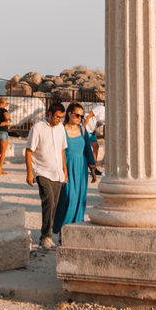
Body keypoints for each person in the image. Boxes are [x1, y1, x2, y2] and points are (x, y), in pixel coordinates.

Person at [25, 102, 67, 249]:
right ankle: (45, 237)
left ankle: (47, 234)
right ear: (49, 114)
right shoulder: (37, 128)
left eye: (61, 117)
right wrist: (30, 173)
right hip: (41, 170)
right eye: (57, 117)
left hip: (57, 172)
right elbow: (29, 151)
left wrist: (64, 170)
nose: (59, 120)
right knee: (48, 200)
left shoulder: (61, 128)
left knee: (54, 204)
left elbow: (62, 150)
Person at [53, 101, 96, 236]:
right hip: (66, 167)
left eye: (81, 117)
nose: (79, 118)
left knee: (79, 199)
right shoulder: (61, 129)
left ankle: (76, 230)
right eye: (77, 115)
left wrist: (93, 169)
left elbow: (88, 150)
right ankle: (63, 229)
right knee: (67, 198)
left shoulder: (83, 130)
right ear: (69, 114)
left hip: (81, 168)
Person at [82, 103, 105, 184]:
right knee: (86, 148)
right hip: (86, 128)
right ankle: (89, 166)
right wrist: (83, 129)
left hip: (92, 131)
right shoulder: (101, 108)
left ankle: (94, 167)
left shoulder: (110, 115)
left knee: (96, 147)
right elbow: (88, 116)